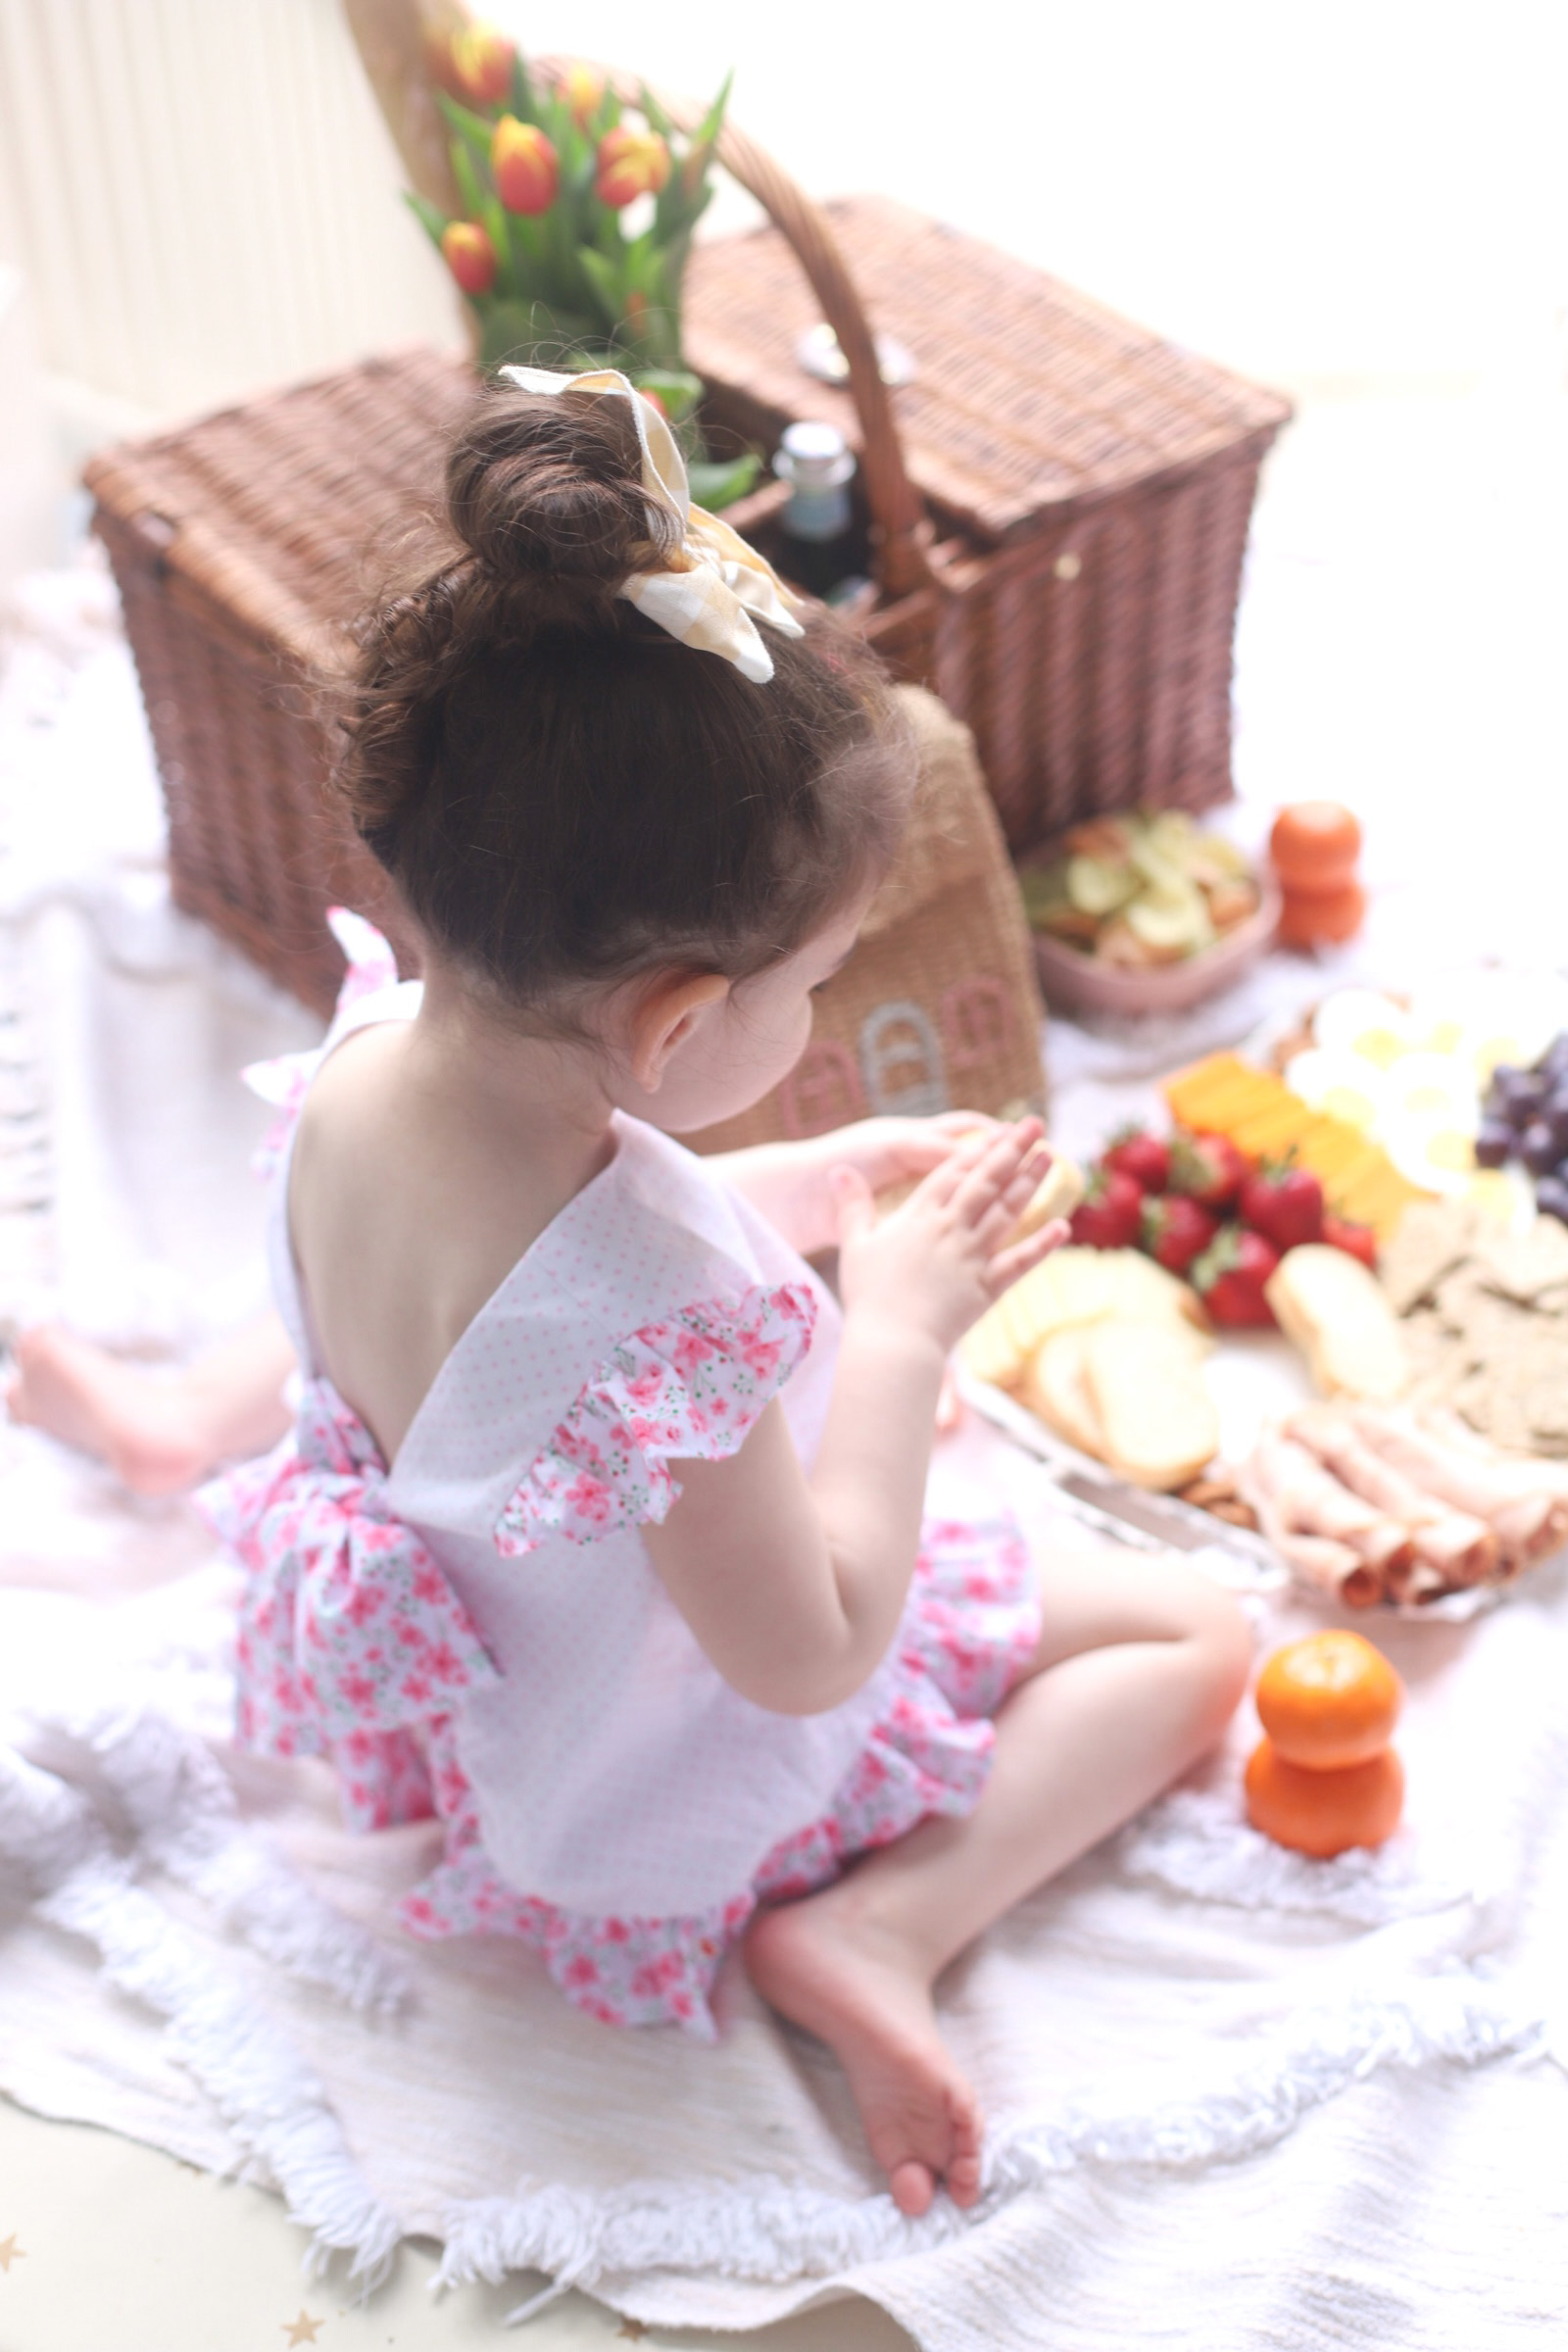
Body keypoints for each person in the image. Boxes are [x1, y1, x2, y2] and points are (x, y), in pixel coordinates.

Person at [7, 369, 1251, 2217]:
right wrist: (899, 1331)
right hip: (645, 1765)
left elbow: (514, 1303)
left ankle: (187, 1422)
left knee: (391, 1327)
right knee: (1202, 1637)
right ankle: (877, 1931)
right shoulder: (657, 1315)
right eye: (811, 980)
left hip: (493, 1663)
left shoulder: (370, 1067)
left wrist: (809, 1184)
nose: (817, 1020)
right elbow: (810, 1641)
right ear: (679, 1018)